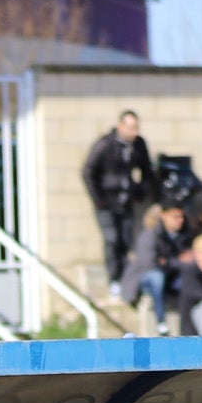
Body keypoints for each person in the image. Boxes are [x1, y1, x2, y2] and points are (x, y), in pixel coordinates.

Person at [82, 109, 155, 297]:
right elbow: (89, 171)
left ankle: (125, 279)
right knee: (112, 239)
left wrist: (140, 192)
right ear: (120, 126)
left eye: (136, 128)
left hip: (127, 202)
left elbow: (146, 171)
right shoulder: (105, 145)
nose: (134, 133)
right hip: (107, 202)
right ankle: (114, 278)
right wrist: (99, 199)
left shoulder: (138, 145)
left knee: (126, 240)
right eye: (130, 128)